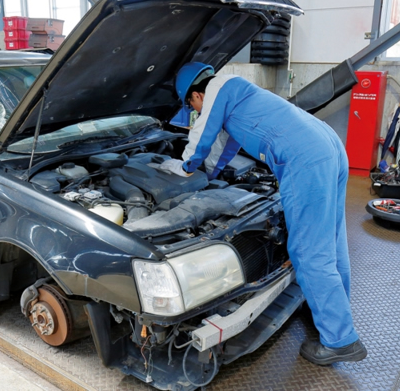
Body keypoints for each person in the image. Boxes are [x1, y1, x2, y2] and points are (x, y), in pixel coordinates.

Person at [156, 62, 367, 365]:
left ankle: (340, 339)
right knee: (332, 241)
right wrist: (207, 177)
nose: (196, 111)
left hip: (304, 158)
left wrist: (181, 167)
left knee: (308, 251)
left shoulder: (217, 90)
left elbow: (201, 139)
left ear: (195, 94)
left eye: (192, 105)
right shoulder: (238, 91)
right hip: (327, 146)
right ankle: (331, 308)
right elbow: (222, 149)